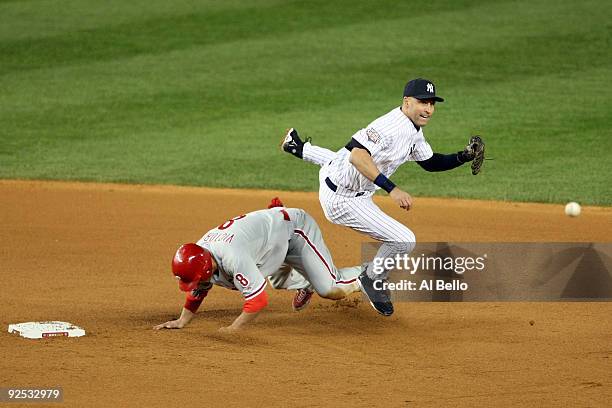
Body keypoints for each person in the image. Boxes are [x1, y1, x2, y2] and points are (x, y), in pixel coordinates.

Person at [280, 78, 479, 317]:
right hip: (343, 200)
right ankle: (371, 278)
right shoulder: (390, 127)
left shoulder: (414, 131)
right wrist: (392, 188)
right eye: (422, 102)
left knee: (339, 158)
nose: (428, 109)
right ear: (407, 102)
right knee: (404, 240)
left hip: (339, 173)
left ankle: (297, 147)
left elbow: (430, 163)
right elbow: (357, 156)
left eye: (432, 104)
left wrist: (463, 156)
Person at [154, 198, 361, 333]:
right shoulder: (201, 254)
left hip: (296, 230)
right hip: (270, 244)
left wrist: (234, 328)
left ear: (207, 268)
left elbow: (258, 301)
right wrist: (182, 320)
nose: (195, 284)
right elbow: (198, 289)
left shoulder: (231, 256)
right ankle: (307, 283)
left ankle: (375, 272)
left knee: (330, 288)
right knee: (279, 282)